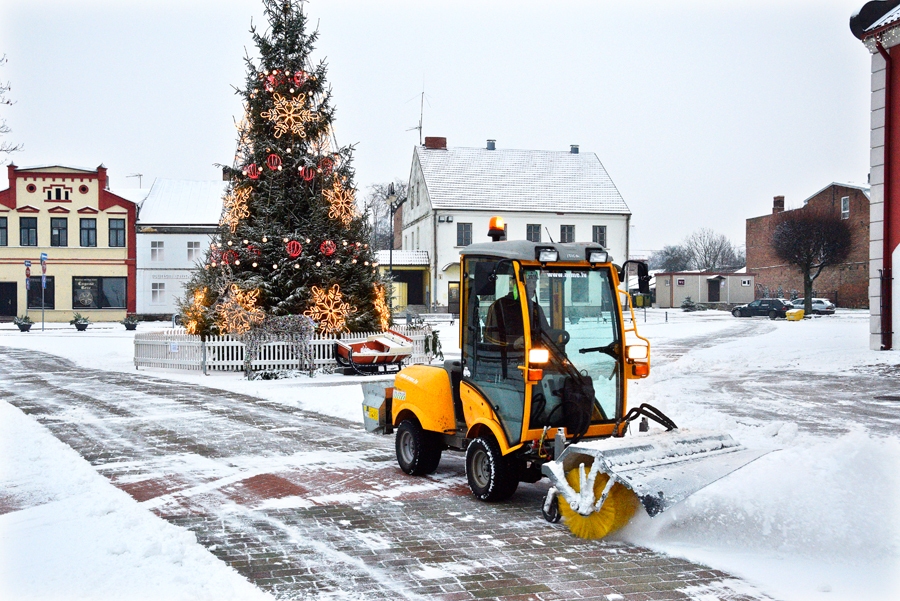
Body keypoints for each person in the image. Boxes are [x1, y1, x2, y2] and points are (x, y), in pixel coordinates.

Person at [484, 272, 550, 349]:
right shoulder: (499, 306)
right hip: (506, 357)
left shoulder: (536, 308)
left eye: (534, 282)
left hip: (533, 356)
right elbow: (489, 338)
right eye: (528, 282)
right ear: (515, 283)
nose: (532, 286)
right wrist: (512, 344)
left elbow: (546, 334)